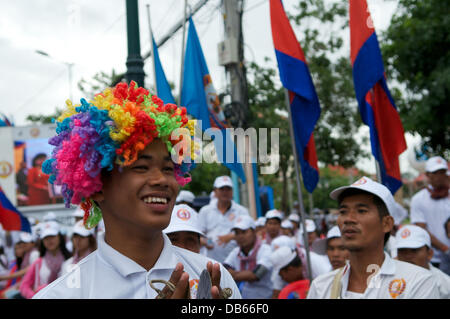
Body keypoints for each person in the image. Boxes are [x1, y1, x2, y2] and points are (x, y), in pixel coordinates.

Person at [33, 82, 240, 299]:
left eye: (169, 168)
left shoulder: (214, 278)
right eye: (141, 167)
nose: (162, 180)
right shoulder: (63, 294)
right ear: (96, 187)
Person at [307, 176, 439, 299]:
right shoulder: (321, 287)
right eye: (343, 212)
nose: (348, 219)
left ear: (386, 223)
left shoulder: (417, 282)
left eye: (361, 211)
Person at [198, 175, 250, 264]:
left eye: (228, 189)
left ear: (232, 191)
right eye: (222, 189)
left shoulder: (242, 211)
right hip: (210, 261)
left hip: (236, 263)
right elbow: (198, 235)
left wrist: (232, 236)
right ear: (215, 191)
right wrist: (206, 242)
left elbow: (250, 233)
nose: (225, 192)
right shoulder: (205, 211)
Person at [410, 156, 450, 271]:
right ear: (427, 175)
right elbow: (421, 229)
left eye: (442, 172)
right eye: (435, 172)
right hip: (434, 258)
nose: (439, 176)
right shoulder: (418, 199)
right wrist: (445, 249)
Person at [223, 215, 273, 299]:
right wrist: (244, 274)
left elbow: (256, 275)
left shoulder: (265, 250)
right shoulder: (236, 251)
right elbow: (223, 270)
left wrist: (233, 275)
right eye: (237, 233)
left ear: (254, 232)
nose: (240, 236)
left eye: (244, 232)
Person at [395, 224, 450, 298]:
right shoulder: (386, 279)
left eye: (414, 250)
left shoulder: (445, 285)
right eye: (402, 250)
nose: (407, 256)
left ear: (429, 254)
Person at [19, 221, 71, 298]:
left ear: (59, 237)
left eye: (52, 236)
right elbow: (24, 286)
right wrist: (35, 296)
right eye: (46, 238)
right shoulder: (38, 262)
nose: (49, 240)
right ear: (42, 241)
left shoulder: (70, 260)